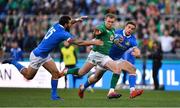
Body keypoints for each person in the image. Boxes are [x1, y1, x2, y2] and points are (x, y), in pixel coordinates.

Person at [1, 15, 103, 100]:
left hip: (45, 55)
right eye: (69, 23)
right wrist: (94, 42)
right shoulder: (63, 33)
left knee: (55, 73)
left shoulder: (57, 25)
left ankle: (54, 96)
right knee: (28, 76)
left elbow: (69, 22)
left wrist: (77, 20)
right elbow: (79, 42)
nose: (70, 24)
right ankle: (13, 61)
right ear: (65, 25)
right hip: (37, 56)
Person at [77, 21, 143, 99]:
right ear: (125, 27)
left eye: (132, 29)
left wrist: (137, 54)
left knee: (132, 69)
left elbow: (137, 50)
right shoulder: (116, 32)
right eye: (129, 27)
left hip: (117, 59)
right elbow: (102, 37)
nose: (130, 30)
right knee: (95, 78)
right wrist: (92, 44)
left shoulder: (132, 40)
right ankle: (82, 88)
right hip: (105, 58)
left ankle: (132, 91)